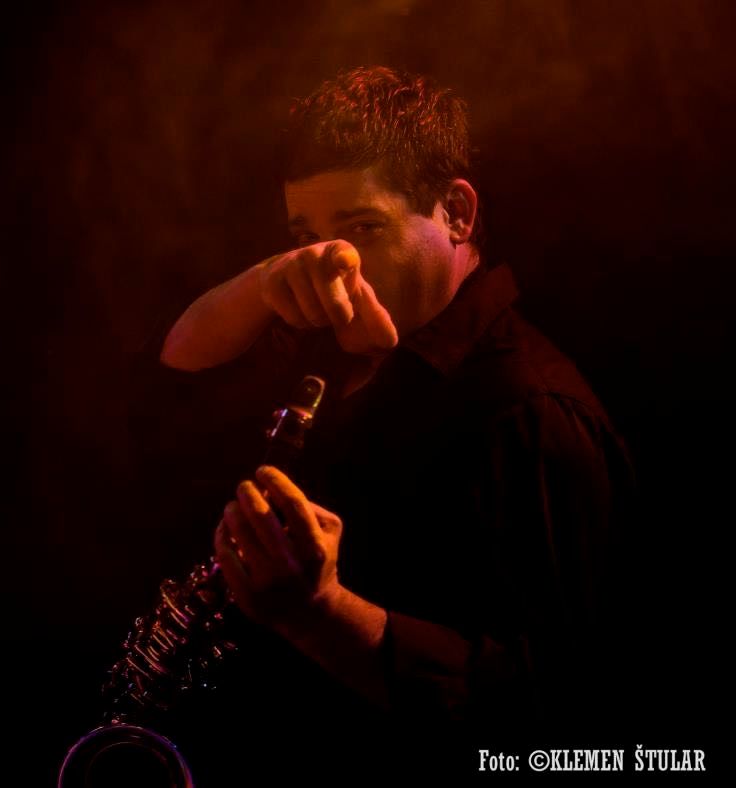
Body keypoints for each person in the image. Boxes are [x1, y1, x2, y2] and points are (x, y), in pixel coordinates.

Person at [133, 66, 634, 782]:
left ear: (456, 213)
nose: (333, 265)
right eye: (307, 237)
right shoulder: (332, 338)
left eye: (362, 228)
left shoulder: (532, 412)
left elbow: (551, 717)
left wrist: (321, 612)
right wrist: (271, 274)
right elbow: (176, 370)